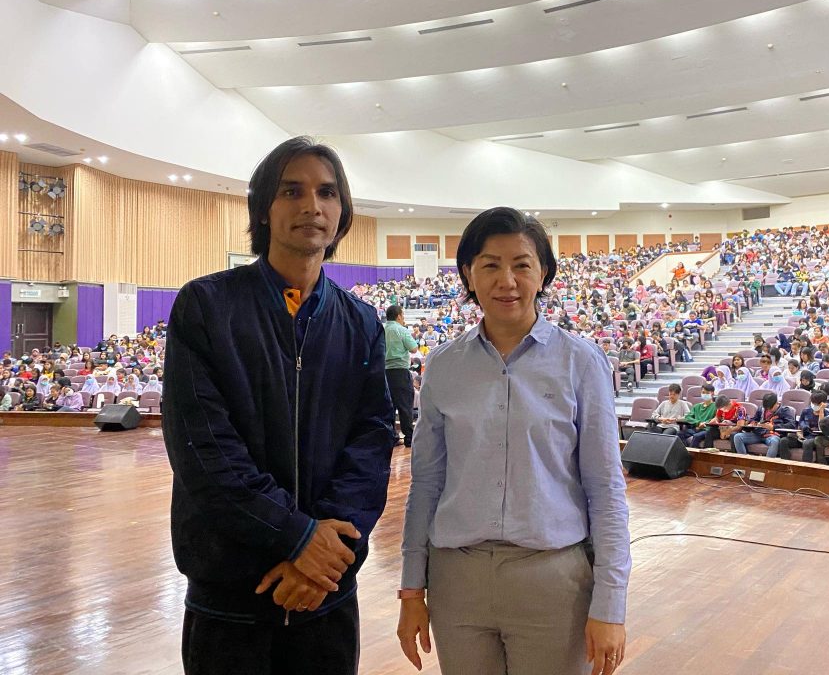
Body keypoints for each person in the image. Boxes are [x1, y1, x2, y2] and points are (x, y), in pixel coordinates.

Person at [162, 136, 395, 675]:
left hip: (326, 596)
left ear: (342, 212)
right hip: (232, 597)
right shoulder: (206, 306)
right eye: (292, 191)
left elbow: (371, 443)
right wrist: (296, 537)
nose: (312, 206)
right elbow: (204, 450)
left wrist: (325, 557)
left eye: (327, 192)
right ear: (264, 208)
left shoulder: (360, 322)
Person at [399, 207, 630, 675]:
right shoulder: (443, 365)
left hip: (552, 579)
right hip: (457, 580)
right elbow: (426, 485)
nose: (507, 280)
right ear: (468, 274)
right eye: (490, 265)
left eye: (521, 264)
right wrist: (410, 590)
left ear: (543, 273)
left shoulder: (581, 363)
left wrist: (611, 603)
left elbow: (605, 489)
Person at [384, 304, 419, 448]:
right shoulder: (401, 330)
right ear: (399, 316)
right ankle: (409, 438)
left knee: (388, 406)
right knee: (405, 405)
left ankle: (392, 437)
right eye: (403, 315)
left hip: (384, 372)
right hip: (400, 371)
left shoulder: (381, 329)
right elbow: (414, 348)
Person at [732, 393, 795, 458]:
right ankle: (744, 461)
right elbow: (755, 419)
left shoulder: (785, 410)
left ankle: (767, 463)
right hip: (758, 433)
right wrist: (752, 423)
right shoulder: (761, 409)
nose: (768, 410)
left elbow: (791, 425)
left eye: (770, 408)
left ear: (777, 403)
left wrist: (773, 427)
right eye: (766, 408)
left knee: (774, 441)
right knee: (738, 437)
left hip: (773, 435)